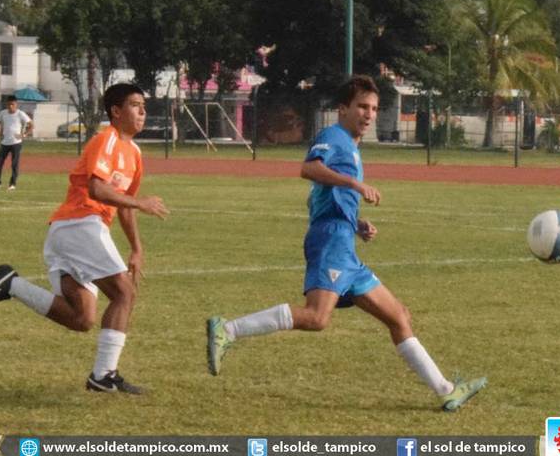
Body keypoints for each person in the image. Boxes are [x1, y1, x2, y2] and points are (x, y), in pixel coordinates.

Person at [206, 75, 486, 412]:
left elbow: (318, 200)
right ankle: (229, 329)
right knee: (316, 318)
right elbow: (308, 169)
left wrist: (356, 223)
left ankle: (446, 390)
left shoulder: (351, 147)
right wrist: (353, 184)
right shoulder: (334, 137)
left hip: (343, 241)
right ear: (343, 109)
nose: (368, 114)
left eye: (374, 109)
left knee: (398, 316)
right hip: (330, 243)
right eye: (362, 107)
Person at [0, 83, 169, 394]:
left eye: (143, 105)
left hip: (71, 231)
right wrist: (140, 202)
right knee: (124, 294)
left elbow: (123, 205)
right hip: (80, 223)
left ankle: (11, 284)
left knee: (82, 318)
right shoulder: (106, 140)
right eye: (135, 105)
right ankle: (104, 376)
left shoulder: (134, 153)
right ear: (116, 112)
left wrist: (136, 248)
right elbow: (97, 189)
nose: (143, 111)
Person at [0, 95, 32, 190]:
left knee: (14, 164)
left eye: (12, 104)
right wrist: (0, 134)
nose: (10, 106)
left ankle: (12, 184)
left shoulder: (20, 114)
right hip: (4, 143)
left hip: (16, 143)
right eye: (8, 104)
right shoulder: (3, 113)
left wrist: (24, 135)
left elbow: (31, 125)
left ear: (16, 104)